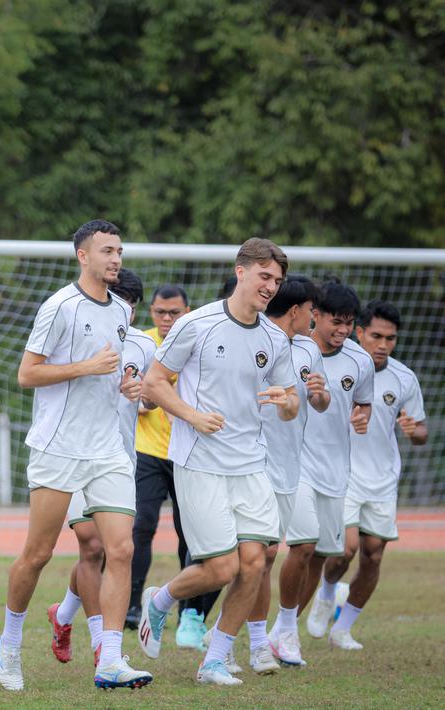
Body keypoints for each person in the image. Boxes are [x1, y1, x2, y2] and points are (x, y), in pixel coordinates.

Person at [0, 220, 152, 692]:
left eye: (119, 251)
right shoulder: (59, 306)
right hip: (58, 446)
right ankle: (9, 645)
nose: (116, 259)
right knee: (38, 554)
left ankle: (109, 660)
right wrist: (86, 367)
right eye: (107, 250)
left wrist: (129, 385)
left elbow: (113, 375)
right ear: (83, 256)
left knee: (120, 549)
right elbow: (27, 374)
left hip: (107, 449)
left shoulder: (122, 312)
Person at [137, 238, 299, 687]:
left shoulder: (273, 338)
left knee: (256, 561)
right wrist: (191, 415)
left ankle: (214, 660)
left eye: (277, 281)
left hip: (250, 464)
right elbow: (154, 383)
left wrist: (286, 401)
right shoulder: (196, 323)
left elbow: (291, 403)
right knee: (222, 567)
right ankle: (161, 598)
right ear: (241, 271)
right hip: (199, 461)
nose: (270, 287)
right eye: (265, 276)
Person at [49, 268, 155, 665]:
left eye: (128, 306)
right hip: (73, 455)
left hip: (117, 459)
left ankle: (62, 615)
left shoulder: (143, 346)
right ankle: (101, 645)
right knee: (92, 544)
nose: (121, 312)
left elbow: (152, 398)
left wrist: (143, 394)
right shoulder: (79, 333)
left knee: (114, 553)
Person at [318, 300, 425, 649]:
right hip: (343, 472)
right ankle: (327, 592)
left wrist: (413, 430)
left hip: (382, 478)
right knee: (345, 549)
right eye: (376, 335)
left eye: (390, 338)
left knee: (374, 554)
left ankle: (343, 628)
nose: (383, 344)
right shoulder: (339, 363)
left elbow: (422, 432)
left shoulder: (404, 378)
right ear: (359, 332)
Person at [129, 284, 217, 647]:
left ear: (187, 311)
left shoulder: (197, 342)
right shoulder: (142, 344)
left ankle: (188, 615)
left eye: (174, 313)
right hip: (147, 450)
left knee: (191, 536)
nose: (166, 319)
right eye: (160, 312)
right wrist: (145, 402)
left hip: (189, 452)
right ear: (152, 312)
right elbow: (136, 394)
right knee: (140, 527)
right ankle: (132, 607)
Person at [288, 280, 374, 641]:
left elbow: (364, 402)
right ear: (315, 315)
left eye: (348, 322)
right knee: (297, 547)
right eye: (335, 321)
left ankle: (285, 629)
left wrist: (363, 416)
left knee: (320, 554)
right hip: (293, 464)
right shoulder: (292, 349)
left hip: (335, 470)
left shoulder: (361, 360)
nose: (342, 330)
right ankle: (264, 627)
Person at [258, 275, 330, 670]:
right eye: (312, 310)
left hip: (293, 464)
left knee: (304, 545)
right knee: (261, 556)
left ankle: (284, 631)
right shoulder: (255, 338)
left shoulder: (307, 348)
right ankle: (236, 637)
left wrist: (319, 394)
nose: (314, 318)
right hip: (252, 463)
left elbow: (319, 403)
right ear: (296, 310)